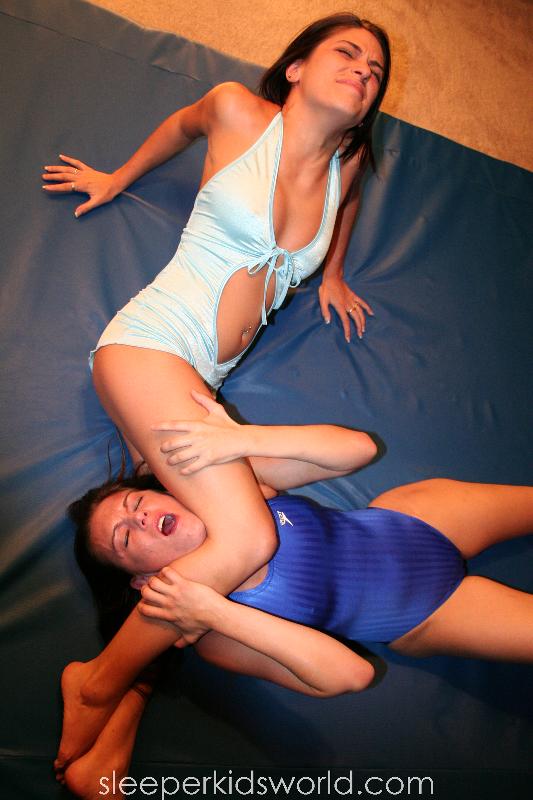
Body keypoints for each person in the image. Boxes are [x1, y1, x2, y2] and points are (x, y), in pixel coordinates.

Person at [48, 12, 392, 775]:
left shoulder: (346, 162)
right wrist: (117, 178)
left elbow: (346, 206)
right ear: (296, 67)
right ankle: (96, 684)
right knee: (247, 541)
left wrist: (332, 272)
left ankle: (133, 698)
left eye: (374, 70)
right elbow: (180, 126)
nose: (363, 72)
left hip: (196, 382)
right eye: (347, 53)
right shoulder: (239, 111)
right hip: (148, 347)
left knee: (208, 544)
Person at [62, 393, 533, 798]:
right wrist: (216, 611)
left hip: (416, 518)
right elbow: (351, 674)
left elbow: (358, 449)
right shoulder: (216, 638)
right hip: (426, 612)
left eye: (137, 503)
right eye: (126, 538)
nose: (140, 519)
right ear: (144, 580)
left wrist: (240, 440)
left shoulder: (239, 494)